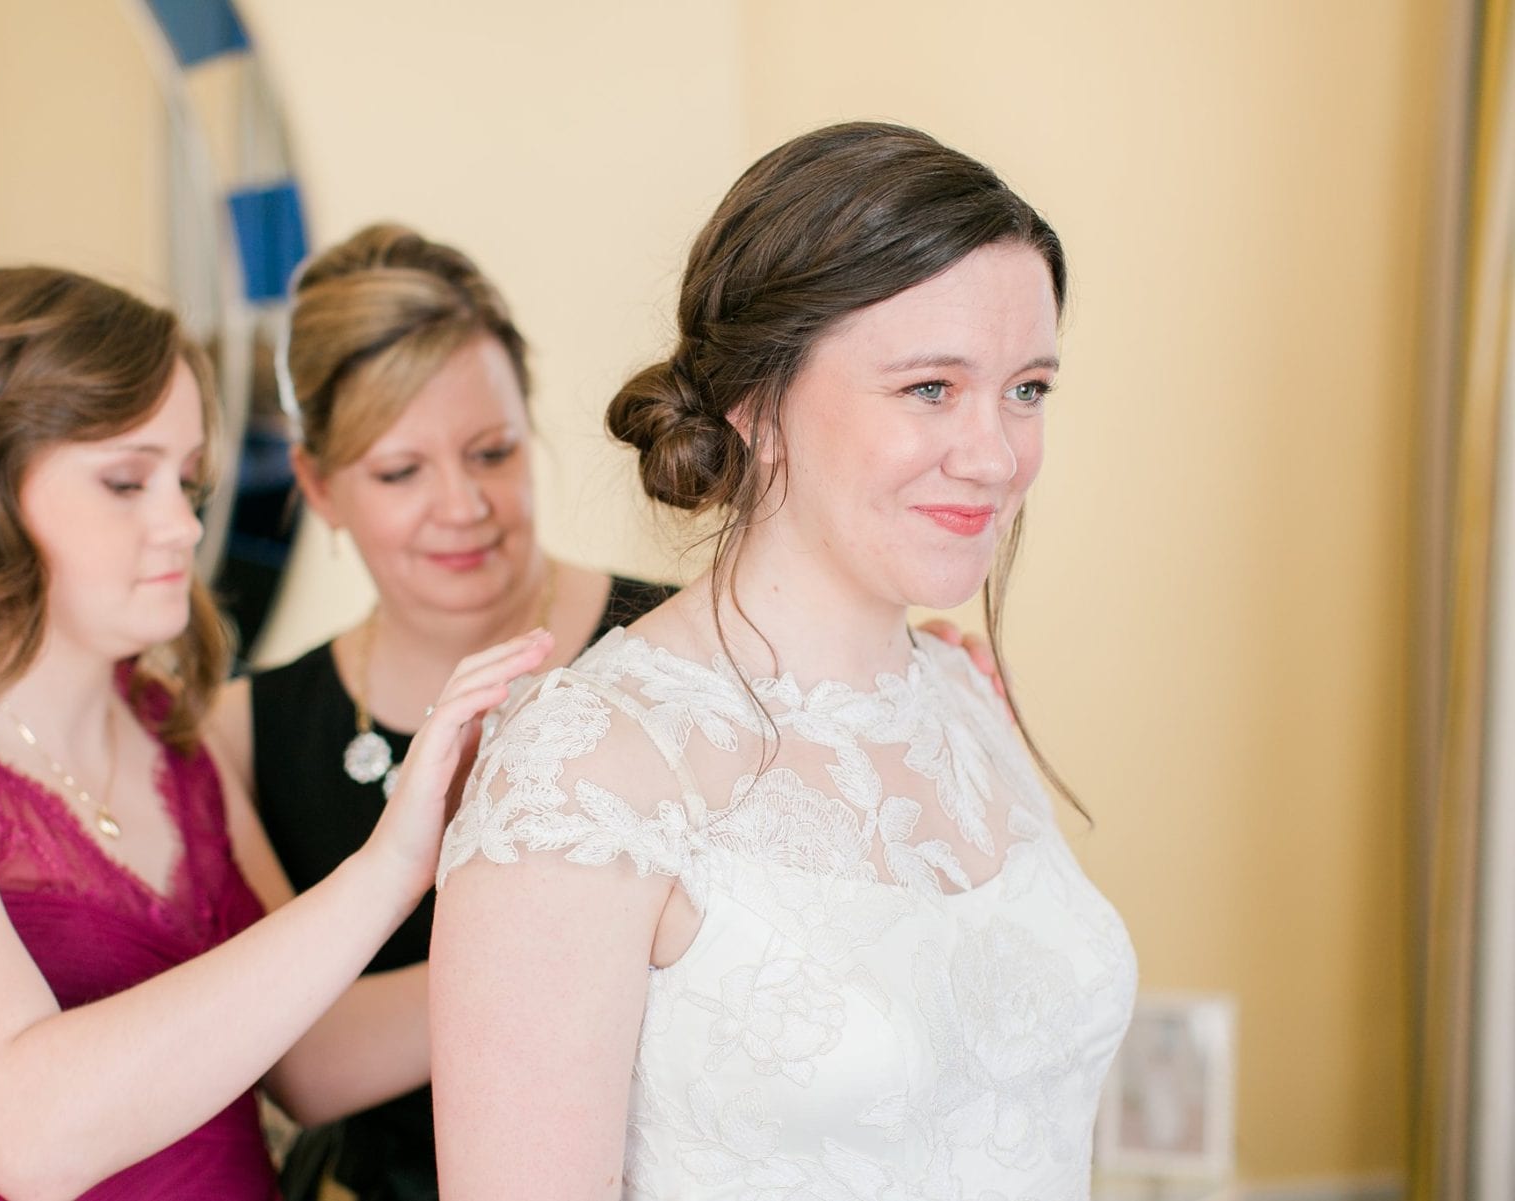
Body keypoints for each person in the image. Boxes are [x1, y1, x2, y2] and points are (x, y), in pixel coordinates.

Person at [204, 222, 1013, 1201]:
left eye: (492, 452)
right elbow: (307, 1063)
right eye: (400, 472)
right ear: (319, 488)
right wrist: (584, 937)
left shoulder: (689, 653)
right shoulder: (245, 728)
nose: (461, 505)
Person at [429, 121, 1138, 1199]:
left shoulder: (960, 698)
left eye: (1027, 388)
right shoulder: (587, 769)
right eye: (930, 388)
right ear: (757, 403)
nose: (995, 454)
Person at [0, 265, 551, 1200]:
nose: (183, 524)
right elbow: (30, 1134)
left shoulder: (173, 742)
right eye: (128, 481)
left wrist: (571, 943)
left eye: (187, 480)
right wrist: (387, 870)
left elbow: (305, 1057)